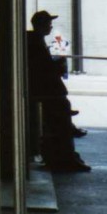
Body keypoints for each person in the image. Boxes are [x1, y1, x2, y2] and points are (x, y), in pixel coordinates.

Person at [27, 10, 89, 173]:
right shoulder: (36, 43)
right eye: (48, 23)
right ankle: (66, 158)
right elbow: (42, 69)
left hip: (47, 92)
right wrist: (58, 65)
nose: (50, 26)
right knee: (59, 126)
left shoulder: (34, 41)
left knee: (53, 127)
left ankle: (58, 157)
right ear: (41, 25)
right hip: (50, 93)